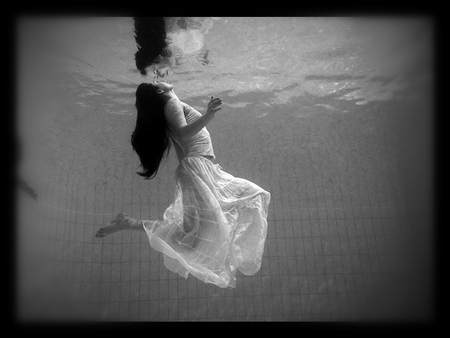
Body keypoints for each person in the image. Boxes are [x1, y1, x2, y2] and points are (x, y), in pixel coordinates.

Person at [95, 81, 271, 288]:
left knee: (193, 236)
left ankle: (129, 223)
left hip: (201, 169)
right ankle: (128, 223)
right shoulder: (171, 104)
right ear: (160, 91)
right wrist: (207, 116)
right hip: (197, 170)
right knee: (196, 234)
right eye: (155, 80)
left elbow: (181, 140)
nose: (158, 75)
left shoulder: (172, 104)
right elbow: (182, 134)